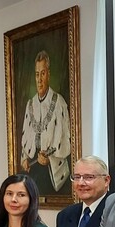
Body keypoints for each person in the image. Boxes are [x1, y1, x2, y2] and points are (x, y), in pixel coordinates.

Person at [20, 50, 70, 196]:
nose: (39, 79)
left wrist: (49, 158)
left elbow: (66, 141)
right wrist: (24, 158)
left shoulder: (59, 102)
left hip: (51, 171)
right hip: (33, 169)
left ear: (48, 74)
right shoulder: (30, 104)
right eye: (37, 74)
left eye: (42, 73)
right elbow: (26, 137)